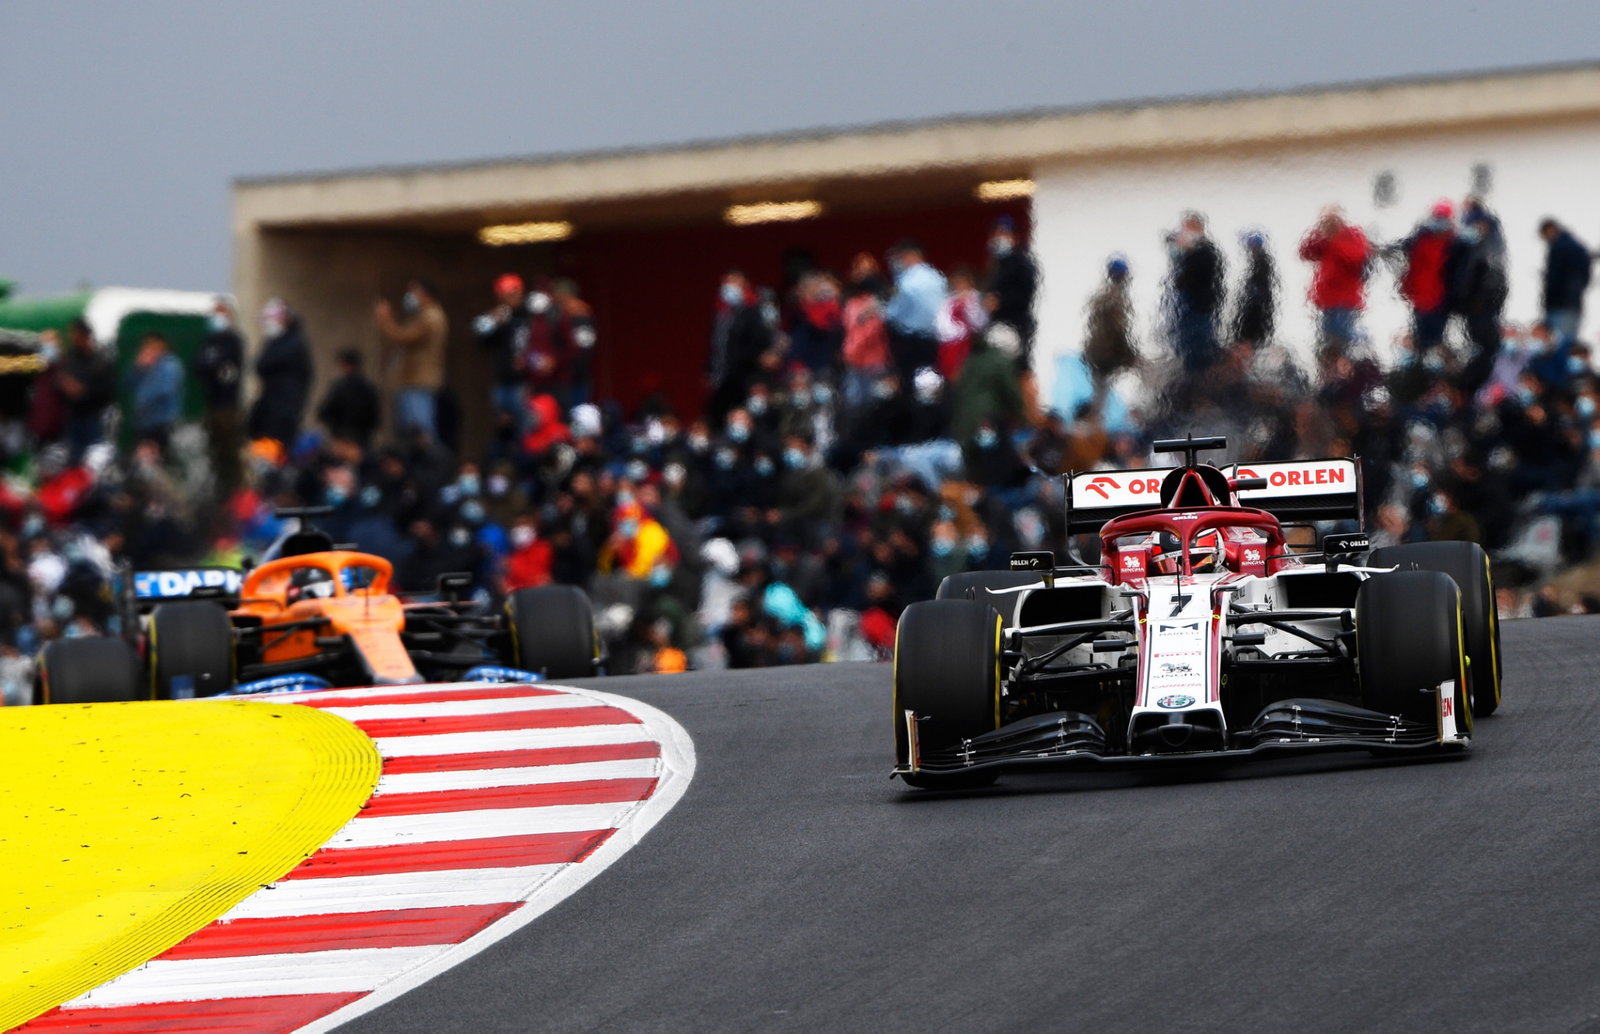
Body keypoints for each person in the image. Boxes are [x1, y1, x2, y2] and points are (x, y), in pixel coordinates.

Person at [375, 278, 448, 443]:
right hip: (410, 379)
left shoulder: (431, 317)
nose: (409, 296)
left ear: (425, 294)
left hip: (420, 381)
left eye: (413, 292)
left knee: (420, 429)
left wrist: (386, 320)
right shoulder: (421, 315)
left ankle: (427, 463)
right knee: (408, 431)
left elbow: (404, 337)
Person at [706, 271, 776, 429]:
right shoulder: (722, 314)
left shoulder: (753, 311)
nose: (729, 287)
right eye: (727, 282)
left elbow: (760, 342)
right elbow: (716, 345)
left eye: (734, 282)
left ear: (744, 285)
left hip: (744, 375)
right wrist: (710, 369)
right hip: (722, 376)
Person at [1298, 207, 1370, 351]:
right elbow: (1305, 253)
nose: (1327, 227)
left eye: (1330, 222)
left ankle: (1359, 350)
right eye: (1325, 223)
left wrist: (1335, 240)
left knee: (1340, 339)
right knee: (1328, 339)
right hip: (1326, 299)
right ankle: (1335, 365)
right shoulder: (1323, 240)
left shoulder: (1351, 235)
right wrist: (1317, 235)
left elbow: (1356, 256)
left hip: (1345, 299)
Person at [475, 273, 530, 451]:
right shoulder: (499, 316)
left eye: (512, 293)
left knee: (525, 426)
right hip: (502, 381)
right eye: (504, 294)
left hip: (523, 381)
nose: (509, 298)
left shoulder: (529, 315)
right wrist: (495, 322)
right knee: (503, 427)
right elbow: (483, 342)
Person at [248, 297, 313, 448]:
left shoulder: (293, 344)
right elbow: (259, 366)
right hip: (269, 409)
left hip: (283, 413)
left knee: (277, 453)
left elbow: (266, 363)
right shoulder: (274, 343)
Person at [195, 297, 245, 492]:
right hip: (211, 403)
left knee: (229, 450)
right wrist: (212, 366)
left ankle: (234, 489)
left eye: (221, 313)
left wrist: (213, 366)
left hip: (228, 405)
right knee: (213, 450)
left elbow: (228, 369)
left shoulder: (233, 341)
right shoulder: (208, 341)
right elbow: (199, 366)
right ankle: (219, 490)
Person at [1396, 200, 1456, 353]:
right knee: (1421, 341)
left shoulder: (1455, 242)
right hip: (1421, 299)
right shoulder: (1421, 239)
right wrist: (1406, 288)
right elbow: (1412, 267)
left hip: (1441, 301)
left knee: (1435, 341)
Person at [1169, 212, 1225, 373]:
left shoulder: (1205, 251)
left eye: (1188, 228)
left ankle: (1199, 376)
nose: (1184, 232)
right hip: (1191, 307)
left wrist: (1186, 253)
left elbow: (1191, 278)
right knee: (1187, 345)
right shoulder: (1190, 251)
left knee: (1198, 348)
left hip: (1200, 307)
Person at [883, 240, 946, 380]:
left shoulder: (906, 281)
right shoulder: (937, 277)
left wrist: (878, 310)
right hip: (935, 341)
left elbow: (893, 314)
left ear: (910, 256)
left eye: (899, 257)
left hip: (911, 342)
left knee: (909, 385)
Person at [56, 318, 116, 465]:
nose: (73, 339)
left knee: (93, 462)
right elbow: (58, 381)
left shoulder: (100, 360)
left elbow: (107, 392)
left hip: (92, 418)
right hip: (72, 418)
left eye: (75, 335)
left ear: (85, 336)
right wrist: (65, 385)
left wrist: (83, 391)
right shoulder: (70, 358)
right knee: (73, 461)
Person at [1083, 257, 1139, 409]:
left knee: (1099, 390)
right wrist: (1130, 354)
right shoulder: (1117, 299)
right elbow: (1117, 331)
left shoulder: (1101, 296)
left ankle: (1095, 420)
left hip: (1096, 351)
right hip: (1107, 354)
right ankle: (1095, 423)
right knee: (1101, 393)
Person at [982, 216, 1038, 364]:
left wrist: (1001, 302)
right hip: (999, 325)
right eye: (997, 234)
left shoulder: (1021, 262)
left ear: (1015, 238)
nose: (1000, 238)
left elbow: (1026, 293)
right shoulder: (997, 264)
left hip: (1016, 325)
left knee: (1018, 368)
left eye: (1005, 233)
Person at [316, 348, 382, 451]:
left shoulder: (340, 387)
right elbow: (375, 418)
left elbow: (324, 411)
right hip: (363, 439)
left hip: (342, 438)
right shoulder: (369, 387)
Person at [1539, 217, 1593, 344]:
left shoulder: (1560, 247)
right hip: (1571, 304)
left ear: (1550, 230)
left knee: (1558, 345)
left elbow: (1555, 278)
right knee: (1565, 344)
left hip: (1561, 305)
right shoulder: (1576, 247)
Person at [129, 331, 184, 453]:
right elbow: (129, 383)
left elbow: (164, 390)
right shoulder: (146, 364)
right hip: (145, 422)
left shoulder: (170, 364)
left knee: (158, 461)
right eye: (145, 345)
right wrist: (138, 367)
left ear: (162, 345)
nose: (147, 348)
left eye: (151, 344)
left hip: (161, 422)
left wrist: (143, 401)